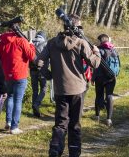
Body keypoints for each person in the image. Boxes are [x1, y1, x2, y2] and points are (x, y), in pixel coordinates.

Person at [36, 14, 101, 157]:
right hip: (78, 89)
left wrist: (49, 75)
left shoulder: (52, 43)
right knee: (75, 124)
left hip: (60, 90)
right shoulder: (80, 43)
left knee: (60, 123)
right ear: (76, 27)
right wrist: (97, 53)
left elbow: (39, 62)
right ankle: (74, 152)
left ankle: (55, 150)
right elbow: (95, 63)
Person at [0, 29, 36, 134]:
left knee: (10, 97)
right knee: (18, 100)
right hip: (20, 74)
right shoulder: (21, 41)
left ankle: (8, 122)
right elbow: (32, 56)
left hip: (6, 75)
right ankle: (14, 127)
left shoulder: (1, 43)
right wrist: (31, 45)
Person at [91, 34, 120, 127]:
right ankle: (109, 119)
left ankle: (97, 116)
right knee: (109, 96)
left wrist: (93, 78)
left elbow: (95, 65)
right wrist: (115, 74)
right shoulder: (114, 50)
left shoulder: (99, 51)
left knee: (98, 95)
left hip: (100, 77)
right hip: (111, 77)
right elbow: (119, 64)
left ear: (100, 41)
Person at [29, 31, 48, 117]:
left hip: (32, 69)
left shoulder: (30, 43)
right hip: (42, 70)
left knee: (35, 90)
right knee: (44, 88)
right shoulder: (45, 43)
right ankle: (36, 104)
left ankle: (35, 112)